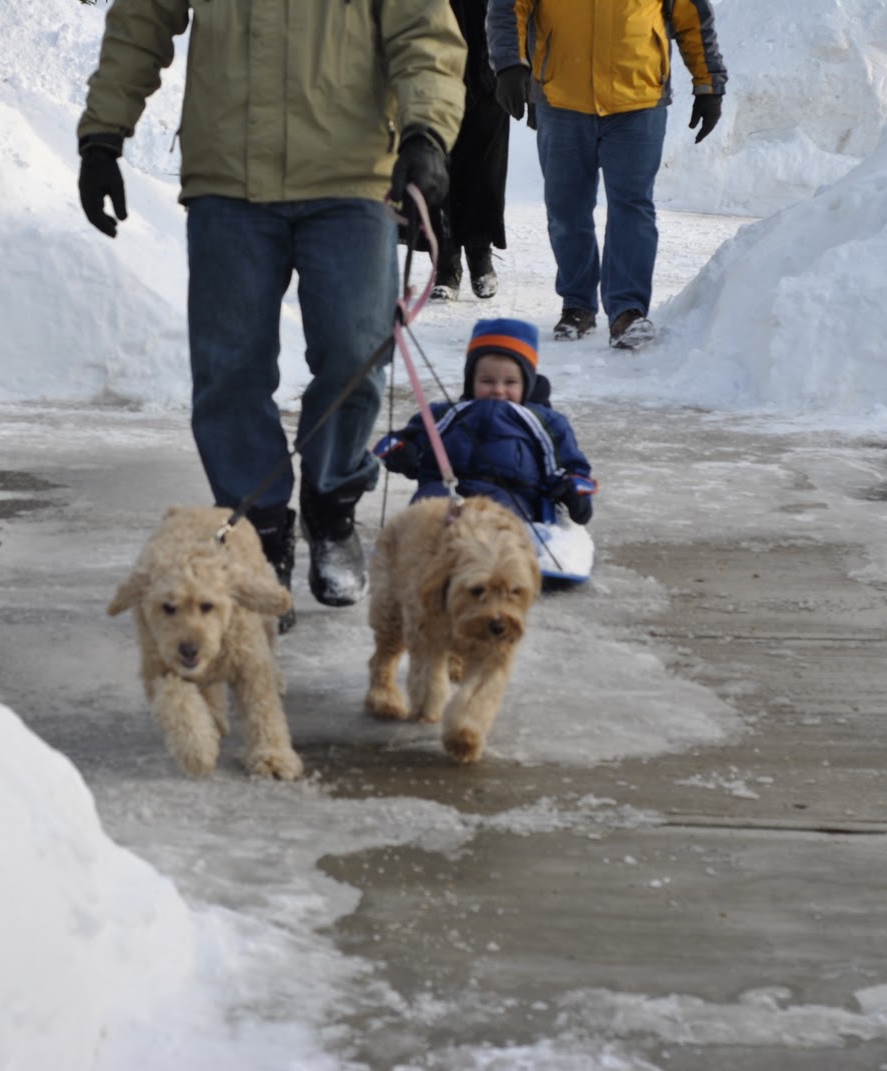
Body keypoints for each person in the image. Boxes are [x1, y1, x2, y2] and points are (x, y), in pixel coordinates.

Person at [76, 1, 467, 630]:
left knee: (355, 354)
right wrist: (104, 134)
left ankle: (332, 503)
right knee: (228, 370)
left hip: (351, 176)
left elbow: (424, 31)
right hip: (231, 180)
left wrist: (427, 133)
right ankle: (255, 535)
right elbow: (141, 19)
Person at [486, 0, 728, 349]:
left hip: (639, 99)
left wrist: (708, 84)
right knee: (566, 209)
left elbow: (692, 16)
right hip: (561, 98)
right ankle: (577, 304)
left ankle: (627, 311)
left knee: (632, 206)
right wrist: (510, 64)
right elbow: (508, 6)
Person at [374, 317, 595, 526]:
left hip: (509, 498)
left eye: (510, 382)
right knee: (424, 514)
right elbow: (399, 442)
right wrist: (403, 452)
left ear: (526, 383)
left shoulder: (544, 422)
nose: (498, 390)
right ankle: (417, 547)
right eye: (487, 381)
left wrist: (574, 491)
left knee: (492, 525)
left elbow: (569, 466)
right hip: (445, 491)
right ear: (471, 381)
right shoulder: (446, 414)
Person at [431, 0, 513, 304]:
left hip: (489, 56)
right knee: (438, 164)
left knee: (486, 167)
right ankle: (446, 265)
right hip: (434, 55)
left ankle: (480, 254)